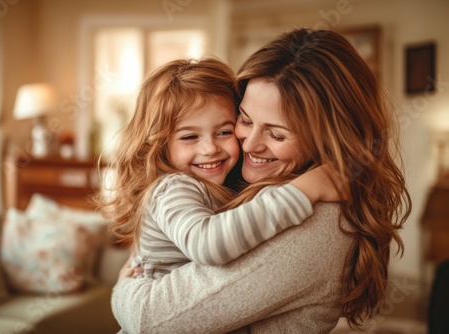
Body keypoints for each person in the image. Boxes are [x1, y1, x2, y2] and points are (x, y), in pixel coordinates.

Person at [111, 28, 412, 333]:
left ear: (328, 140)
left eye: (277, 134)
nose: (249, 144)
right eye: (244, 119)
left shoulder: (316, 220)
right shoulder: (215, 181)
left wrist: (126, 287)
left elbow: (150, 321)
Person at [98, 57, 340, 282]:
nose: (210, 148)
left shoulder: (218, 184)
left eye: (224, 132)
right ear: (160, 145)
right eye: (190, 136)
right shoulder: (174, 187)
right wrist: (302, 192)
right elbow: (207, 245)